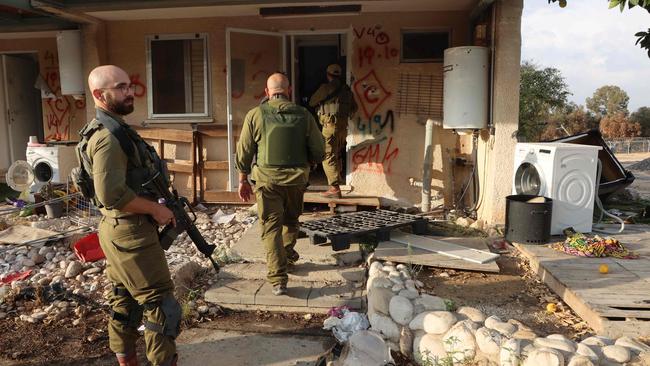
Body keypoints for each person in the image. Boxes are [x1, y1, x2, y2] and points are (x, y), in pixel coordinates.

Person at [78, 65, 180, 366]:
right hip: (130, 232)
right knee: (161, 303)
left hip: (121, 230)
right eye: (120, 87)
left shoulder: (114, 130)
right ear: (99, 94)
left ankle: (126, 360)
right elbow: (111, 194)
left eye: (129, 85)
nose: (129, 91)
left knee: (124, 299)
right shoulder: (108, 138)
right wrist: (156, 209)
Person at [236, 72, 325, 296]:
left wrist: (242, 180)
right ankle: (286, 256)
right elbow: (319, 150)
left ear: (267, 92)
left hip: (267, 181)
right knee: (291, 221)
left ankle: (278, 278)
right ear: (289, 90)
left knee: (270, 227)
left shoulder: (255, 115)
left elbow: (244, 151)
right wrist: (309, 164)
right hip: (296, 181)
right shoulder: (304, 115)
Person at [309, 64, 358, 199]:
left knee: (328, 155)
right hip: (343, 127)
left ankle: (334, 188)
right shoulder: (347, 91)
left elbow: (312, 102)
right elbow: (354, 108)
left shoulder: (325, 88)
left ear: (328, 75)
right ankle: (338, 180)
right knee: (337, 154)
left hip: (330, 126)